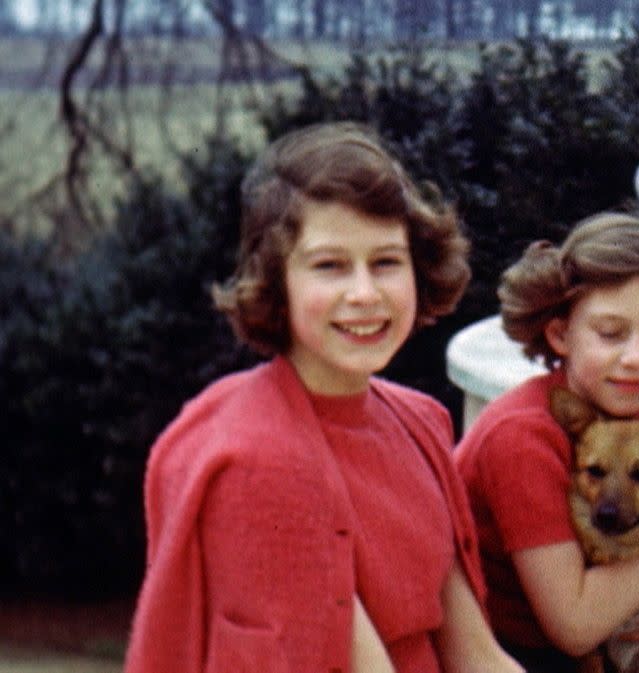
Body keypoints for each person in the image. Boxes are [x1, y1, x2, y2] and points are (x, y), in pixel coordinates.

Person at [124, 122, 521, 673]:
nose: (364, 293)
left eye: (385, 262)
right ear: (277, 281)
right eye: (330, 266)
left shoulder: (420, 422)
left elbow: (477, 656)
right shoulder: (261, 461)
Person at [453, 211, 639, 671]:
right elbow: (574, 627)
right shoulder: (520, 438)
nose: (634, 358)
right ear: (560, 334)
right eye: (610, 334)